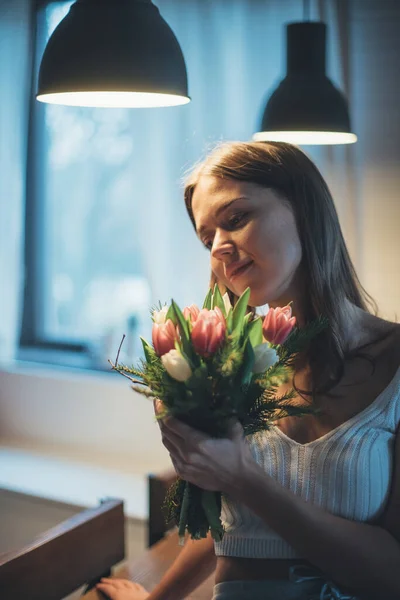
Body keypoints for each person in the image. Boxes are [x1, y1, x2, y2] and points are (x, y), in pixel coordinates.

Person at [96, 142, 400, 600]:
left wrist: (242, 477)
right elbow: (232, 521)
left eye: (236, 219)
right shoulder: (226, 367)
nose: (218, 246)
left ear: (304, 209)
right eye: (206, 237)